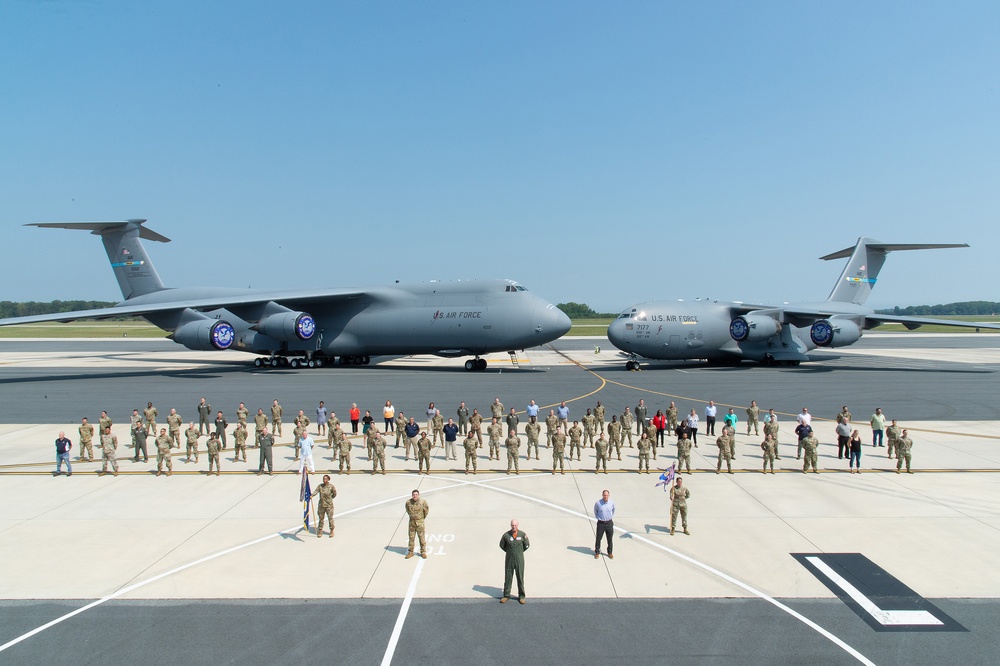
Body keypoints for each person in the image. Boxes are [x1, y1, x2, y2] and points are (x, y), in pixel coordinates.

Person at [499, 519, 530, 604]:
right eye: (512, 525)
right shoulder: (506, 535)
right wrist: (509, 552)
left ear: (518, 525)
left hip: (519, 559)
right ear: (510, 525)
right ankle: (506, 595)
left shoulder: (522, 535)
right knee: (508, 576)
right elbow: (502, 545)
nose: (514, 527)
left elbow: (527, 545)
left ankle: (521, 596)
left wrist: (519, 552)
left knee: (520, 576)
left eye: (515, 525)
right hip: (509, 559)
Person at [404, 490, 429, 559]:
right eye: (413, 494)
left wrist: (421, 518)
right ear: (412, 495)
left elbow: (426, 511)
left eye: (416, 494)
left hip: (420, 523)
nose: (415, 496)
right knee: (411, 538)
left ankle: (423, 552)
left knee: (422, 538)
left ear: (418, 495)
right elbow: (407, 510)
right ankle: (411, 552)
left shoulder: (422, 502)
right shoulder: (408, 502)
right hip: (412, 523)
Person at [594, 490, 615, 558]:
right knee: (598, 538)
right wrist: (599, 518)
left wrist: (610, 517)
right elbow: (595, 511)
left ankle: (610, 552)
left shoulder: (611, 503)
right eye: (604, 495)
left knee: (610, 539)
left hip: (609, 523)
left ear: (609, 495)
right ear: (602, 495)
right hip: (601, 524)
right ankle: (597, 552)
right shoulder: (598, 503)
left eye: (607, 495)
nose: (605, 496)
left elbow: (613, 510)